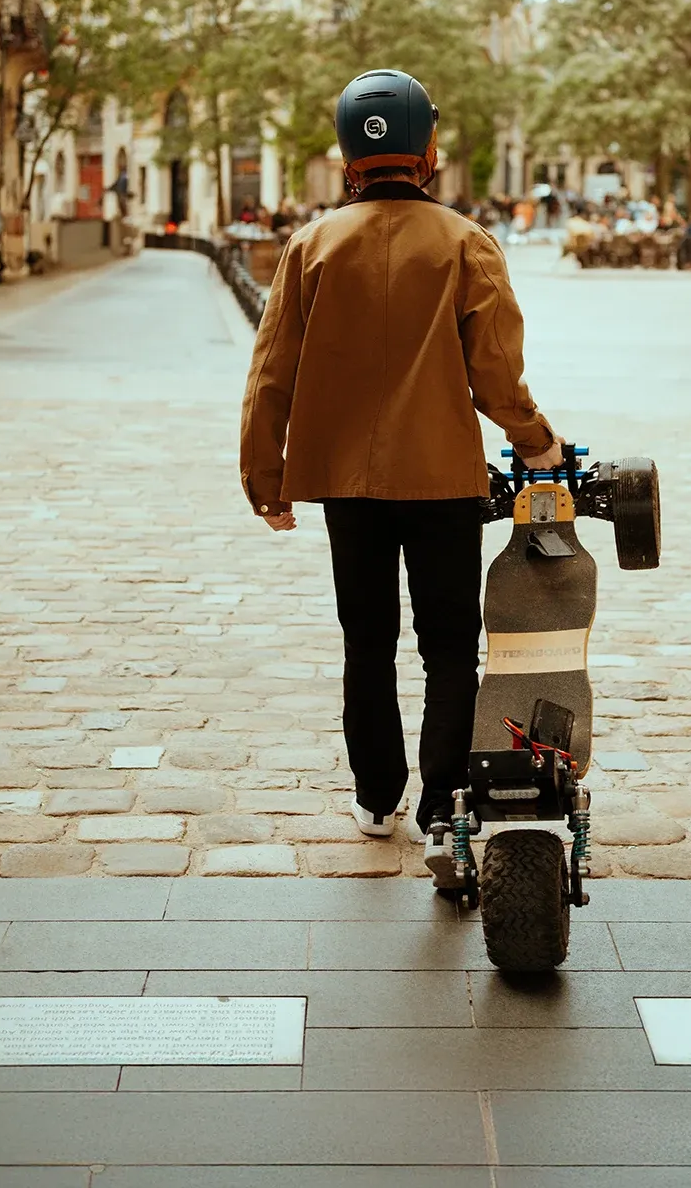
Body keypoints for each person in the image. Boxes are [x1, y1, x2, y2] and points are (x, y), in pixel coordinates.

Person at [238, 68, 562, 887]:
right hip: (444, 477)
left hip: (347, 484)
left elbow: (271, 370)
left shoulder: (310, 245)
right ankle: (443, 810)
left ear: (350, 157)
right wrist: (536, 443)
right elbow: (495, 371)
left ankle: (377, 799)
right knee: (450, 647)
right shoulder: (464, 242)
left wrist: (264, 475)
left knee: (367, 641)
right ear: (430, 153)